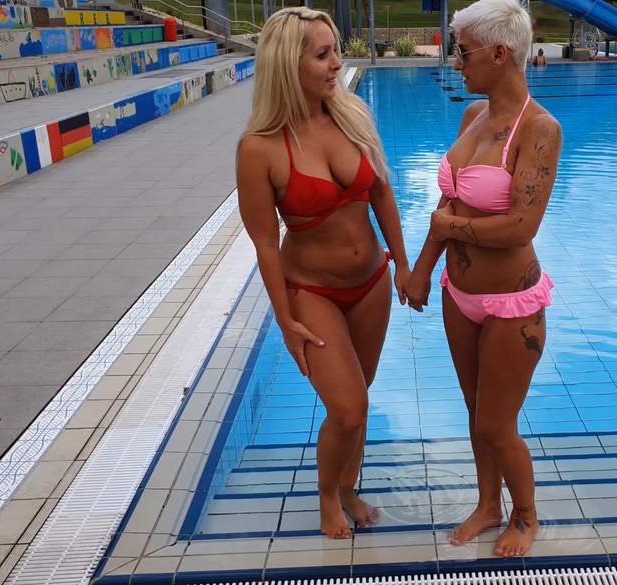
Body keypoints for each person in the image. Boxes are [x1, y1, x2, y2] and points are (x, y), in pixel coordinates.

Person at [236, 7, 410, 539]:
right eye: (323, 54)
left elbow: (381, 191)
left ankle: (349, 487)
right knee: (348, 407)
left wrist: (403, 263)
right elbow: (265, 243)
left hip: (372, 283)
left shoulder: (352, 113)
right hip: (313, 291)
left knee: (361, 396)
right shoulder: (259, 148)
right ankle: (327, 496)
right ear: (287, 65)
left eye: (336, 50)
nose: (337, 62)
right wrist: (285, 319)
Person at [405, 0, 562, 558]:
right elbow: (448, 201)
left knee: (498, 424)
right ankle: (487, 504)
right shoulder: (473, 115)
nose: (455, 62)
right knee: (476, 412)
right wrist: (423, 268)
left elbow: (521, 226)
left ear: (499, 53)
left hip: (511, 304)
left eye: (463, 52)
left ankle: (526, 515)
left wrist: (449, 228)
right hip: (460, 294)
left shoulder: (540, 128)